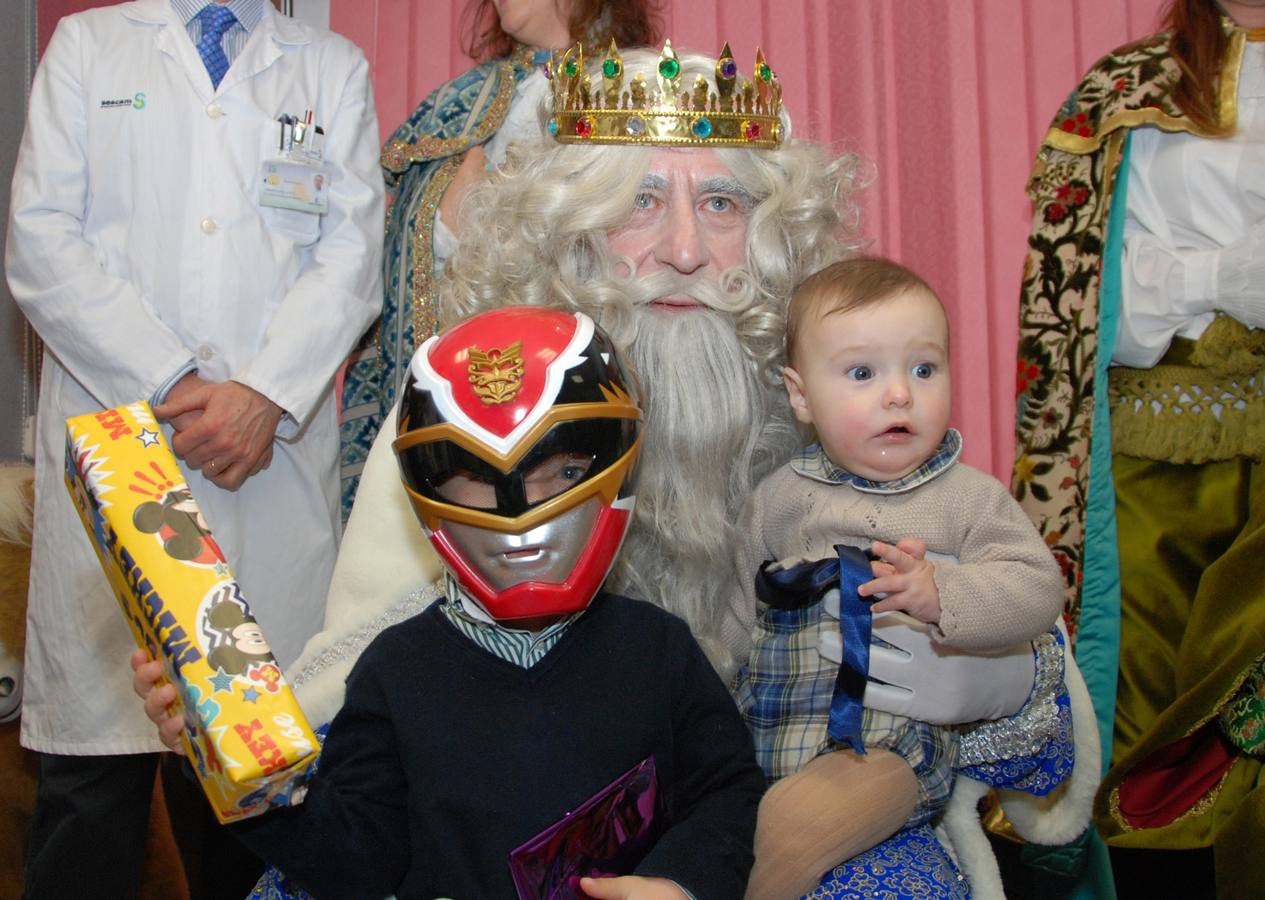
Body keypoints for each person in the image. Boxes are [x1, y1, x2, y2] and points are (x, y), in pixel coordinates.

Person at [296, 41, 1096, 898]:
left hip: (803, 815)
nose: (683, 249)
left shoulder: (848, 418)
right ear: (566, 236)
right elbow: (368, 725)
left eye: (720, 203)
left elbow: (1039, 735)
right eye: (638, 201)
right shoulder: (462, 419)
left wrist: (990, 679)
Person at [136, 306, 766, 899]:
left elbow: (727, 791)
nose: (520, 511)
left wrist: (679, 881)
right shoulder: (397, 669)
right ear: (433, 486)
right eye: (480, 480)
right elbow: (352, 859)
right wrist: (228, 756)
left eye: (563, 471)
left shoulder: (657, 649)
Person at [4, 0, 383, 896]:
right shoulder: (90, 45)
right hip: (118, 450)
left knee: (251, 801)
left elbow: (351, 257)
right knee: (90, 797)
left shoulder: (330, 65)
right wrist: (172, 383)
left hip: (267, 464)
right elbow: (41, 239)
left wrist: (261, 396)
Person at [1012, 1, 1265, 897]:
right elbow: (1081, 296)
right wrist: (1216, 278)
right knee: (1151, 728)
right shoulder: (1122, 93)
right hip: (1152, 465)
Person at [730, 258, 1067, 899]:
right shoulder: (777, 500)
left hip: (885, 748)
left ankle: (779, 866)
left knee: (847, 798)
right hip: (770, 735)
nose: (899, 395)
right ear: (801, 396)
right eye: (863, 373)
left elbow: (1037, 587)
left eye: (923, 368)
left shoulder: (966, 498)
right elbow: (734, 614)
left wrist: (945, 594)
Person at [339, 0, 659, 516]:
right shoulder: (463, 101)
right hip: (448, 384)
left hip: (564, 393)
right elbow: (381, 249)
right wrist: (447, 225)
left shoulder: (629, 97)